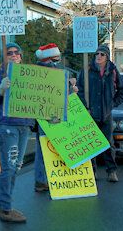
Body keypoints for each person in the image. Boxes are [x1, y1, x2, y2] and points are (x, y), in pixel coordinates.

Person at [0, 42, 34, 223]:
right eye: (9, 53)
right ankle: (5, 209)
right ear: (4, 57)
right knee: (8, 167)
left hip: (24, 127)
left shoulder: (30, 76)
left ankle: (6, 205)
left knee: (15, 167)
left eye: (17, 52)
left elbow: (39, 101)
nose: (14, 55)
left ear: (21, 56)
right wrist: (0, 89)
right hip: (7, 127)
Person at [33, 44, 78, 193]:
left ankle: (41, 180)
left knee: (42, 148)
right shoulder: (55, 71)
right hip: (54, 115)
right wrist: (71, 86)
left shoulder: (33, 71)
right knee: (57, 148)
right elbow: (60, 90)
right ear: (52, 57)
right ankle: (56, 179)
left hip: (41, 116)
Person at [77, 45, 123, 182]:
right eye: (97, 54)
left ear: (107, 57)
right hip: (90, 113)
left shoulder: (113, 71)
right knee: (91, 144)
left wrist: (112, 105)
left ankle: (111, 171)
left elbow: (122, 92)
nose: (99, 56)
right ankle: (92, 171)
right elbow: (80, 90)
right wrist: (85, 107)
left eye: (102, 54)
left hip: (106, 114)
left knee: (108, 144)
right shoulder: (87, 70)